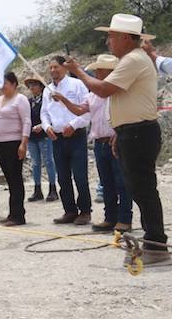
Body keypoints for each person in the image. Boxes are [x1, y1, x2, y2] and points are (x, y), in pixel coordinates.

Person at [65, 14, 168, 262]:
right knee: (138, 188)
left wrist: (77, 71)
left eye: (111, 36)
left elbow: (102, 89)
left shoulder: (133, 60)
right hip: (132, 132)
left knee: (142, 189)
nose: (108, 41)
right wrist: (118, 133)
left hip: (138, 132)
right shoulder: (133, 59)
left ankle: (156, 245)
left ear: (124, 37)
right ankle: (153, 241)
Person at [52, 54, 132, 232]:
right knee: (107, 182)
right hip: (99, 142)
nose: (96, 73)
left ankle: (125, 218)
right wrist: (64, 100)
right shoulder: (94, 94)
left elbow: (128, 114)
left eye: (99, 70)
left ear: (109, 72)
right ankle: (110, 217)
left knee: (121, 182)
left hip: (115, 141)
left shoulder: (119, 91)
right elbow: (80, 110)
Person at [41, 56, 92, 225]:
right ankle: (69, 210)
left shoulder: (77, 84)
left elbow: (86, 111)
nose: (53, 70)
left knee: (80, 176)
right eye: (51, 68)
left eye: (56, 67)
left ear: (64, 67)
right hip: (57, 138)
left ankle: (85, 211)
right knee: (62, 177)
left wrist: (73, 124)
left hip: (76, 136)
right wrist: (47, 126)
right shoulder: (47, 90)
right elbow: (44, 113)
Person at [0, 72, 31, 226]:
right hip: (0, 143)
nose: (2, 86)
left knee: (15, 179)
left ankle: (18, 215)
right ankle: (12, 213)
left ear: (14, 84)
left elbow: (27, 122)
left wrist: (23, 143)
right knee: (9, 179)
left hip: (14, 142)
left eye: (5, 83)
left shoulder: (20, 99)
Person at [24, 75, 58, 202]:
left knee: (49, 161)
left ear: (40, 87)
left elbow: (51, 116)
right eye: (30, 85)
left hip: (44, 135)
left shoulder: (47, 100)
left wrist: (42, 126)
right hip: (32, 136)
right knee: (35, 163)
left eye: (34, 85)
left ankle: (53, 188)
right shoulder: (28, 102)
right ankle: (37, 189)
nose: (32, 88)